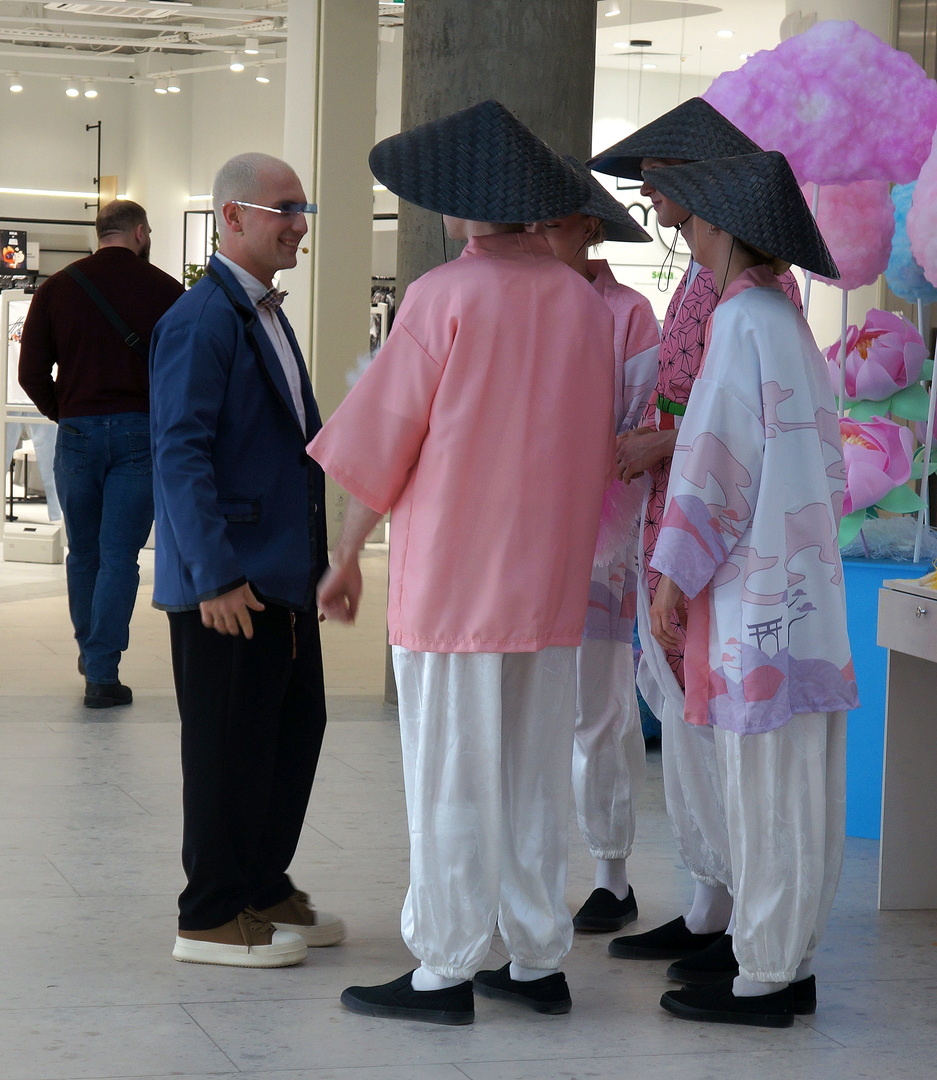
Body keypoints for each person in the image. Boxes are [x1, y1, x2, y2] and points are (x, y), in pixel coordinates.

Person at [309, 100, 616, 1025]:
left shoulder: (444, 295)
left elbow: (385, 438)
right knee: (532, 774)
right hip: (548, 581)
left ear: (467, 204)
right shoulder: (580, 301)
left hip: (454, 579)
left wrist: (347, 551)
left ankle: (443, 968)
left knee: (450, 774)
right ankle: (534, 957)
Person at [641, 150, 858, 1026]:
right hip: (806, 592)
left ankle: (763, 974)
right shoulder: (786, 322)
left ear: (723, 225)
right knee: (799, 788)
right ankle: (785, 961)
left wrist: (672, 575)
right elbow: (828, 471)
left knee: (763, 788)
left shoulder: (737, 323)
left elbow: (714, 467)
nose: (684, 230)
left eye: (693, 216)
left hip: (756, 600)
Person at [588, 99, 799, 978]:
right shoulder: (705, 280)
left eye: (657, 175)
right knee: (681, 711)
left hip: (711, 526)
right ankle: (710, 897)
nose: (645, 190)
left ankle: (737, 911)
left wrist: (661, 443)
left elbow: (741, 425)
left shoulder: (755, 295)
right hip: (672, 512)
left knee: (709, 714)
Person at [149, 152, 344, 969]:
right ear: (231, 217)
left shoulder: (262, 311)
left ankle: (262, 885)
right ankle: (210, 913)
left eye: (302, 208)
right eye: (282, 208)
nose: (298, 223)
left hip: (281, 572)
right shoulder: (203, 319)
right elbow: (178, 451)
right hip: (232, 578)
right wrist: (215, 575)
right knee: (228, 746)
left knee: (290, 731)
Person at [527, 159, 660, 933]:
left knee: (597, 707)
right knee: (524, 712)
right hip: (517, 539)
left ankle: (610, 874)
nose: (538, 236)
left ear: (587, 227)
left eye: (552, 223)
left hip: (597, 537)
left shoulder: (628, 313)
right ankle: (528, 872)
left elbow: (638, 427)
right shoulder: (517, 303)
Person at [18, 199, 183, 708]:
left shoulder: (57, 287)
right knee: (119, 557)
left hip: (77, 436)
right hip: (140, 436)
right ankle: (102, 673)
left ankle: (92, 656)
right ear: (140, 233)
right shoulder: (166, 290)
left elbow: (30, 372)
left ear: (100, 232)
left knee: (83, 552)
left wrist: (64, 412)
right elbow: (184, 371)